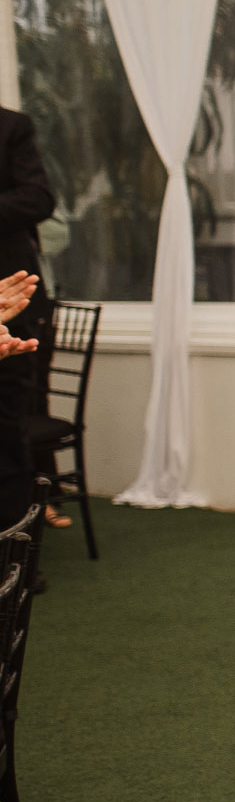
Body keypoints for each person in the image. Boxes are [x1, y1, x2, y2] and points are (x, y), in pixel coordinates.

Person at [0, 107, 55, 532]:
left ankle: (15, 557)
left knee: (7, 427)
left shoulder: (11, 126)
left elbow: (38, 198)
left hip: (11, 296)